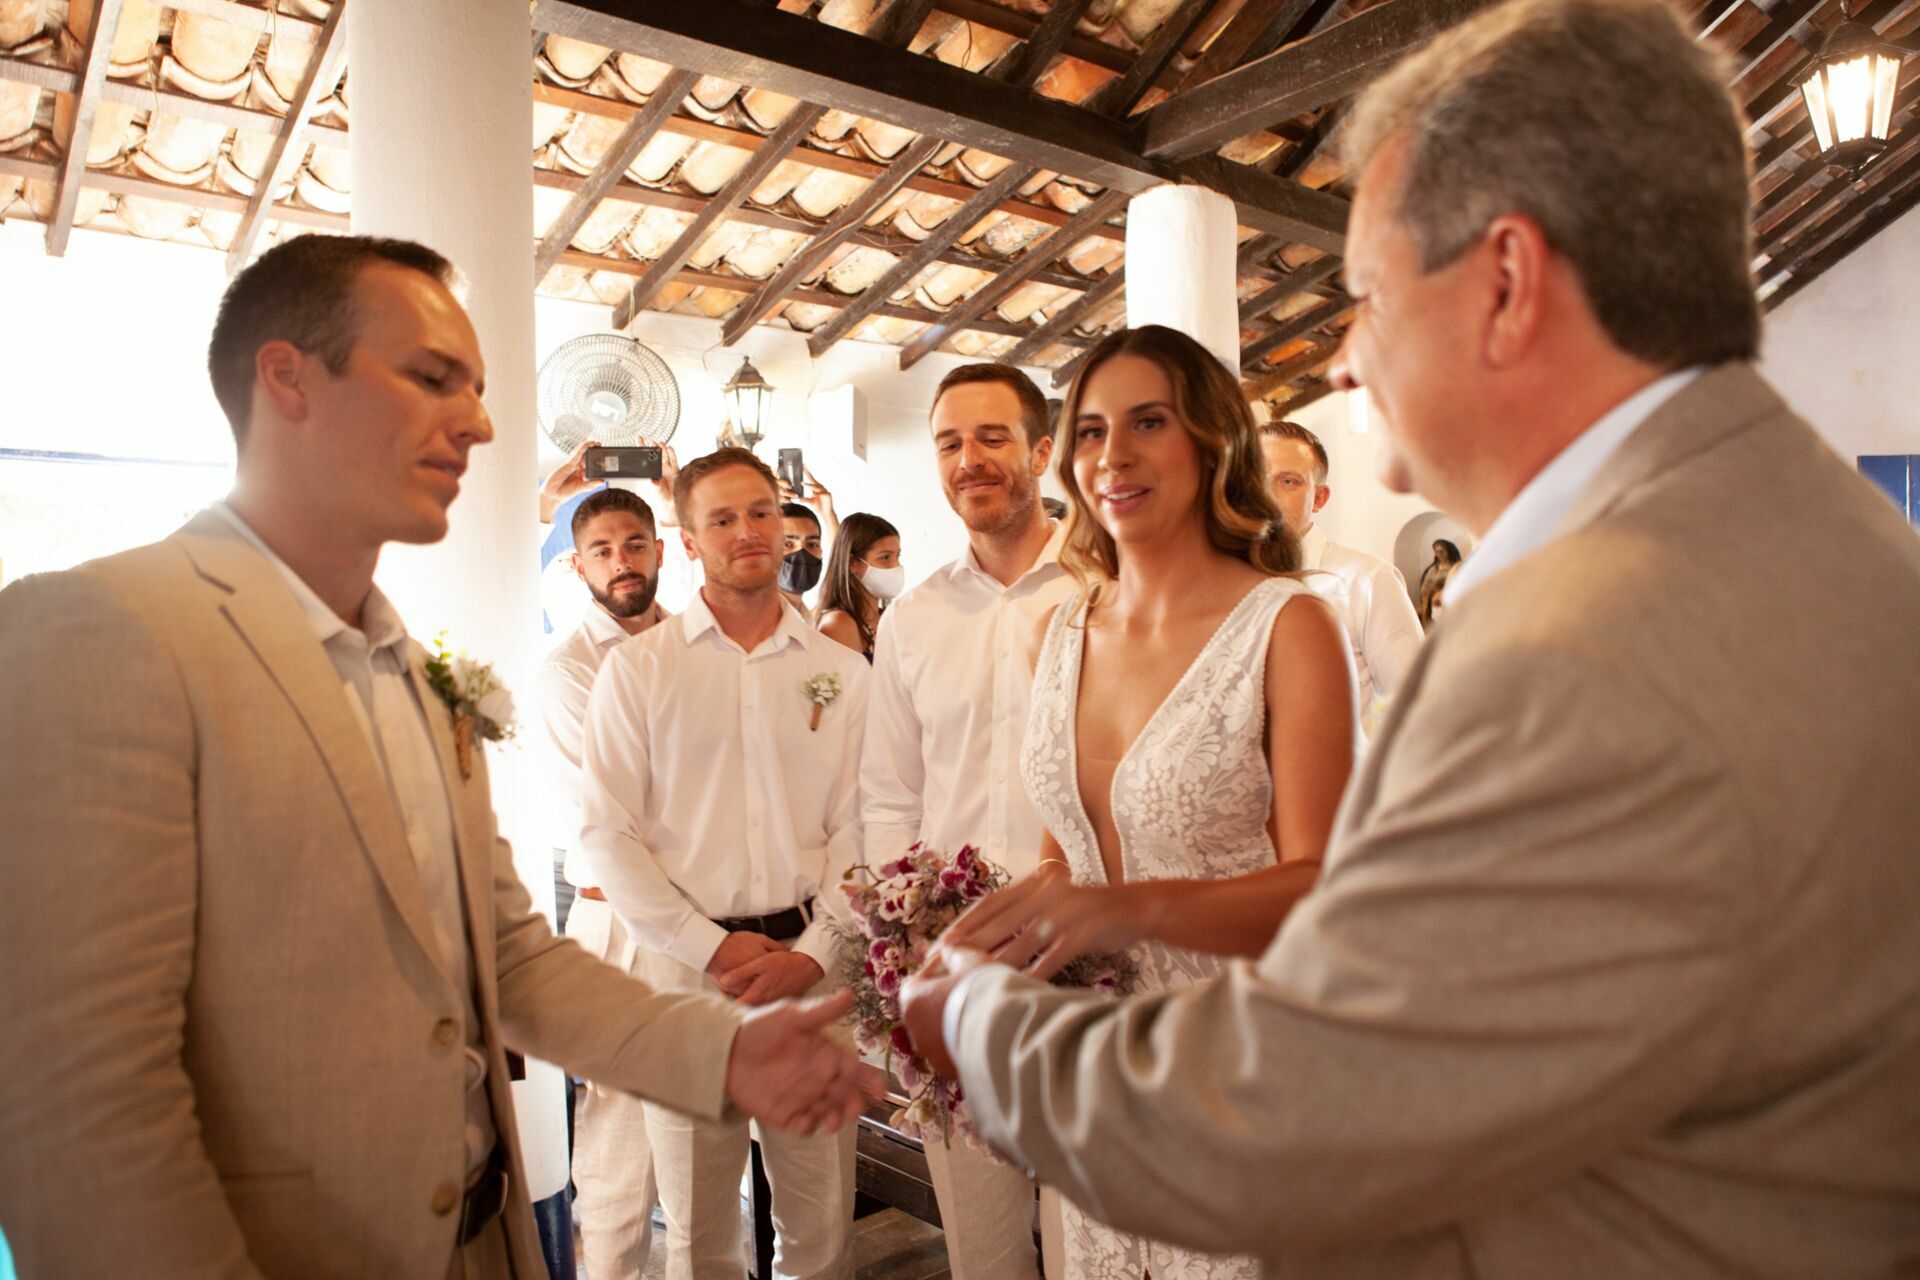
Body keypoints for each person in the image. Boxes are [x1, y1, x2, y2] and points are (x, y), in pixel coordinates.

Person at [903, 0, 1920, 1273]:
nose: (1341, 360)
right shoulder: (1824, 531)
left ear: (1505, 282)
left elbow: (1289, 1113)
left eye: (1367, 295)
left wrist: (977, 1019)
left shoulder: (1576, 641)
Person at [0, 236, 876, 1279]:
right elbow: (81, 1106)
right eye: (430, 378)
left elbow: (502, 954)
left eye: (476, 387)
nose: (480, 423)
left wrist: (723, 1051)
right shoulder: (102, 630)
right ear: (287, 378)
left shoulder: (415, 673)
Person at [940, 325, 1355, 1280]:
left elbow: (1321, 893)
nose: (1112, 457)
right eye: (1088, 431)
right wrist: (984, 958)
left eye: (1147, 422)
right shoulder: (1059, 631)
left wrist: (1120, 909)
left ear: (1212, 441)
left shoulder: (1291, 627)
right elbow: (1061, 866)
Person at [578, 447, 872, 1280]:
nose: (748, 532)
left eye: (762, 512)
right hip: (685, 980)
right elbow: (607, 833)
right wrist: (711, 946)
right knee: (702, 1231)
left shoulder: (840, 673)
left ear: (785, 524)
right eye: (722, 518)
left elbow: (861, 830)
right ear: (687, 537)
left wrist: (811, 954)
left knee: (820, 1223)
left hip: (812, 972)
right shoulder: (638, 672)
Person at [860, 362, 1074, 1280]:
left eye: (992, 438)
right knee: (982, 1247)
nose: (969, 460)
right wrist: (907, 932)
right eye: (950, 442)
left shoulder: (1109, 585)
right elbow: (889, 791)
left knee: (1089, 1243)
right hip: (952, 961)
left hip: (1086, 958)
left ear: (1041, 450)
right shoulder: (913, 617)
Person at [534, 485, 673, 1279]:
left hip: (707, 914)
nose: (622, 562)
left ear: (659, 549)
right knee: (619, 1150)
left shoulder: (697, 643)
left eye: (634, 544)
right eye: (602, 550)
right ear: (576, 564)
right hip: (613, 920)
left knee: (698, 1141)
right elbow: (608, 818)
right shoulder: (566, 670)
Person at [1260, 419, 1424, 730]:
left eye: (1288, 481)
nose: (1266, 495)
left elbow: (1413, 705)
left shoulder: (1368, 581)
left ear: (1319, 498)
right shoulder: (1224, 583)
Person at [816, 512, 903, 659]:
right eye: (885, 557)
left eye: (897, 556)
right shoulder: (839, 624)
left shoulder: (888, 618)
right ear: (853, 563)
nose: (895, 566)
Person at [1417, 537, 1462, 627]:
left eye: (1442, 551)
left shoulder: (1456, 568)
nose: (1439, 554)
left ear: (1448, 551)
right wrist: (1428, 594)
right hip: (1431, 601)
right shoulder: (1433, 569)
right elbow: (1426, 585)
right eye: (1437, 552)